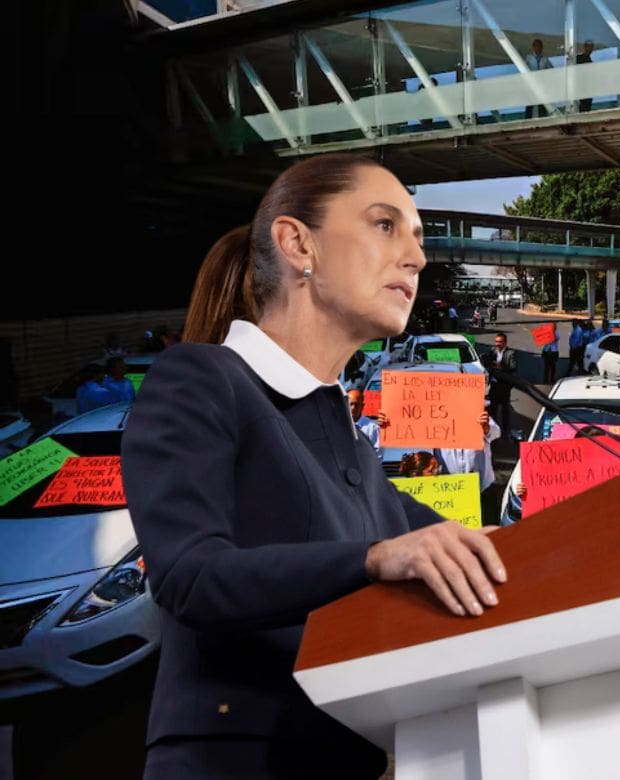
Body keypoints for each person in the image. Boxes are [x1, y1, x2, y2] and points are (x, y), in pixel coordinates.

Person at [120, 154, 506, 780]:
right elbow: (189, 577)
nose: (416, 256)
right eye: (387, 225)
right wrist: (375, 559)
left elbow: (469, 552)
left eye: (418, 238)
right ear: (298, 244)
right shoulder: (200, 378)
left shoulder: (349, 442)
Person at [487, 332, 518, 437]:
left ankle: (505, 432)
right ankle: (493, 432)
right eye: (496, 341)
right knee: (492, 410)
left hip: (504, 387)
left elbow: (513, 368)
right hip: (494, 386)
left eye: (500, 342)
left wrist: (502, 367)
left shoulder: (511, 353)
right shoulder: (493, 351)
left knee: (505, 410)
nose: (497, 344)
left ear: (505, 342)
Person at [347, 388, 382, 460]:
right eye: (351, 404)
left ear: (362, 406)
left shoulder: (372, 428)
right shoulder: (337, 425)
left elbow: (378, 455)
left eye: (356, 405)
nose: (353, 408)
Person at [524, 38, 553, 118]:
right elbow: (523, 70)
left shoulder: (545, 59)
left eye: (540, 47)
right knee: (530, 104)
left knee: (542, 104)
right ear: (533, 47)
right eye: (537, 46)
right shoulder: (529, 58)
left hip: (542, 85)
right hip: (531, 85)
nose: (539, 48)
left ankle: (543, 120)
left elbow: (552, 70)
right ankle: (528, 121)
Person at [575, 40, 594, 112]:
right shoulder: (578, 58)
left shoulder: (590, 60)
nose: (590, 49)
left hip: (588, 89)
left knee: (586, 108)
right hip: (581, 89)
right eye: (589, 47)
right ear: (585, 47)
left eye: (591, 47)